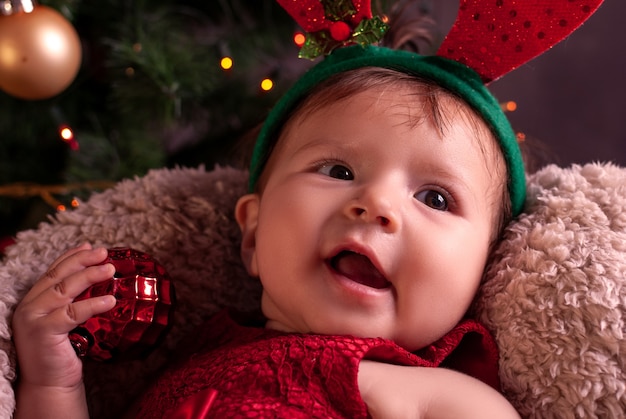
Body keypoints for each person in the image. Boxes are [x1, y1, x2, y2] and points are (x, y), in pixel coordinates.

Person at [11, 1, 551, 417]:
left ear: (485, 270)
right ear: (252, 233)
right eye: (338, 171)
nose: (376, 204)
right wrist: (52, 384)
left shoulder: (441, 397)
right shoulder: (191, 359)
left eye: (435, 197)